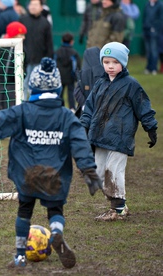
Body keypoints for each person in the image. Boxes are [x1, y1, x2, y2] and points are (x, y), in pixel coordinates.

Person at [0, 57, 102, 269]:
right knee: (55, 210)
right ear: (56, 88)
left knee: (24, 212)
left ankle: (20, 257)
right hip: (54, 176)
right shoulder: (67, 116)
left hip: (27, 174)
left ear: (33, 87)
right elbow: (80, 143)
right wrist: (88, 170)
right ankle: (56, 232)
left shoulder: (21, 111)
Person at [80, 42, 158, 222]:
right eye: (106, 62)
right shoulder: (100, 83)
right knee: (98, 173)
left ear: (123, 63)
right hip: (99, 135)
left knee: (113, 171)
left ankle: (118, 209)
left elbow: (143, 107)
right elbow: (89, 107)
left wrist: (151, 127)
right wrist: (83, 126)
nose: (110, 66)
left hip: (120, 136)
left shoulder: (131, 84)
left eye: (115, 62)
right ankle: (118, 203)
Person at [0, 21, 26, 112]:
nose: (23, 37)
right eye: (21, 35)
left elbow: (24, 65)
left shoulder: (22, 49)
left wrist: (21, 77)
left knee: (10, 107)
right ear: (14, 34)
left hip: (12, 83)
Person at [19, 0, 53, 101]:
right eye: (31, 5)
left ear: (41, 7)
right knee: (23, 84)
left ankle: (35, 104)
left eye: (35, 5)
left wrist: (48, 60)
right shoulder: (22, 20)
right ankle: (22, 105)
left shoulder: (45, 23)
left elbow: (49, 43)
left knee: (37, 85)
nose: (33, 7)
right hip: (24, 60)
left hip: (39, 61)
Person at [73, 46, 104, 118]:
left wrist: (84, 105)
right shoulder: (105, 72)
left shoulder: (83, 73)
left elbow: (77, 92)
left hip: (85, 111)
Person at [54, 32, 81, 112]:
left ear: (62, 40)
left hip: (59, 76)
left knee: (60, 93)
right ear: (72, 41)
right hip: (70, 77)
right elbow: (76, 66)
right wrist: (76, 77)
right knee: (71, 93)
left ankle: (59, 107)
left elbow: (54, 64)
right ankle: (72, 108)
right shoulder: (74, 53)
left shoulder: (57, 52)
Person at [142, 0, 163, 75]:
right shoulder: (147, 4)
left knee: (154, 50)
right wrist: (144, 27)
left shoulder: (160, 5)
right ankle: (148, 67)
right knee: (148, 51)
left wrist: (155, 28)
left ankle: (154, 68)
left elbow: (161, 19)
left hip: (155, 32)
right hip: (146, 30)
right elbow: (144, 17)